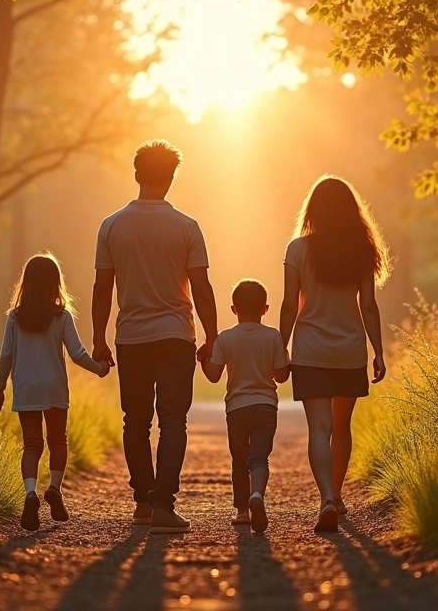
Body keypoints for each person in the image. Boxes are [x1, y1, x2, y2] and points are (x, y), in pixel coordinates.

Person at [91, 139, 218, 535]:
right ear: (171, 179)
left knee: (135, 421)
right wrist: (212, 336)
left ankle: (144, 502)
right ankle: (164, 504)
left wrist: (98, 338)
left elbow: (102, 289)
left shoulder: (111, 226)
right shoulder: (187, 227)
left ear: (136, 175)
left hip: (131, 338)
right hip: (176, 336)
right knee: (173, 419)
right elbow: (201, 287)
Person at [280, 176, 390, 532]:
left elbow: (289, 305)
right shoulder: (360, 250)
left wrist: (280, 348)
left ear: (313, 210)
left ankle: (326, 497)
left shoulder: (297, 249)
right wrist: (378, 351)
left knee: (319, 428)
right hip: (349, 350)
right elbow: (369, 306)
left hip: (310, 350)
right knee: (341, 426)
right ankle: (338, 496)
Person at [0, 253, 111, 532]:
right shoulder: (61, 316)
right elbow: (78, 354)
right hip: (54, 385)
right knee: (58, 441)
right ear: (55, 284)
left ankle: (30, 493)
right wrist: (100, 368)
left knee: (32, 444)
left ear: (27, 283)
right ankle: (54, 489)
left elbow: (6, 355)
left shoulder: (15, 317)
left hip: (25, 386)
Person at [201, 279, 291, 534]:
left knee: (239, 460)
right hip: (265, 407)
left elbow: (214, 375)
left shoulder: (225, 338)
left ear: (233, 309)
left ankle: (242, 512)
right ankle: (257, 496)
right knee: (259, 458)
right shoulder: (273, 336)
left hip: (237, 409)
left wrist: (202, 360)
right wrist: (286, 361)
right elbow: (282, 376)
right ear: (265, 308)